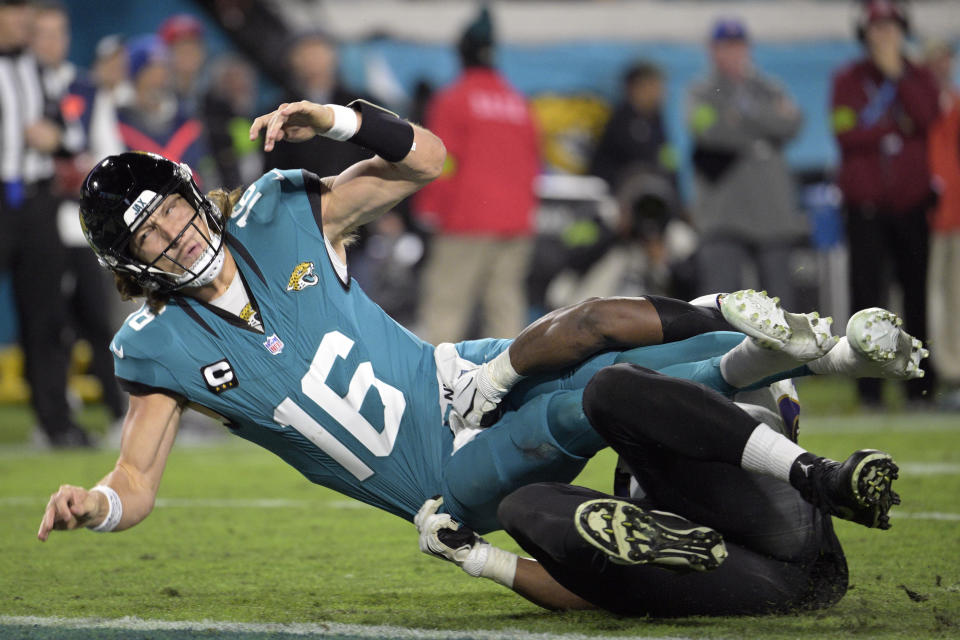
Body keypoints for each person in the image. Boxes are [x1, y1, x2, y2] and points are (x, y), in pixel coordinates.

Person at [37, 98, 918, 610]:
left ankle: (784, 341)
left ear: (195, 195)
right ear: (128, 264)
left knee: (590, 331)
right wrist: (97, 507)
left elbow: (429, 159)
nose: (171, 235)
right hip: (443, 470)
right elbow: (138, 479)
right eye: (147, 235)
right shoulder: (159, 349)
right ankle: (789, 387)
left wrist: (341, 116)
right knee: (596, 399)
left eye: (170, 210)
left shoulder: (276, 212)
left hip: (454, 376)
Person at [415, 299, 924, 616]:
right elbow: (586, 589)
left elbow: (739, 367)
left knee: (613, 388)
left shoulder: (714, 356)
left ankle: (818, 474)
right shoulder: (661, 404)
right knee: (521, 508)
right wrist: (480, 558)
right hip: (727, 570)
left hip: (783, 543)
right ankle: (671, 542)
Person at [830, 0, 940, 409]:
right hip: (866, 208)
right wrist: (892, 129)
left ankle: (919, 386)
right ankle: (869, 387)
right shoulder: (848, 79)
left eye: (891, 28)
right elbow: (844, 132)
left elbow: (927, 118)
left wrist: (898, 76)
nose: (884, 36)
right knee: (868, 299)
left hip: (912, 205)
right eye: (877, 29)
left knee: (916, 297)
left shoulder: (918, 76)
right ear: (865, 34)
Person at [413, 6, 540, 343]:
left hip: (464, 222)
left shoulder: (453, 100)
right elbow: (532, 163)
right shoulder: (518, 103)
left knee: (446, 310)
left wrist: (428, 211)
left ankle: (435, 390)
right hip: (515, 223)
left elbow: (442, 162)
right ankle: (512, 388)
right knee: (505, 311)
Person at [0, 0, 89, 447]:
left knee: (47, 314)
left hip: (36, 202)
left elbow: (71, 133)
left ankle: (55, 423)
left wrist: (53, 137)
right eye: (12, 13)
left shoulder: (39, 70)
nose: (22, 24)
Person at [687, 16, 807, 311]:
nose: (732, 53)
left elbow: (793, 124)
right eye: (724, 46)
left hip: (773, 216)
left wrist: (741, 117)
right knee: (716, 307)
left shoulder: (769, 88)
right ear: (712, 51)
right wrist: (763, 132)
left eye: (738, 46)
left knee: (782, 311)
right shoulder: (700, 92)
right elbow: (707, 130)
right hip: (723, 217)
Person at [924, 39, 960, 410]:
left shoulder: (953, 101)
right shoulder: (919, 104)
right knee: (930, 298)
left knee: (954, 297)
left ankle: (953, 373)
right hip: (927, 215)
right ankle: (935, 372)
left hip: (955, 213)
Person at [589, 61, 677, 194]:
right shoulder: (622, 121)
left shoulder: (657, 120)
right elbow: (640, 164)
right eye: (653, 85)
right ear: (635, 88)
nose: (660, 92)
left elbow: (667, 162)